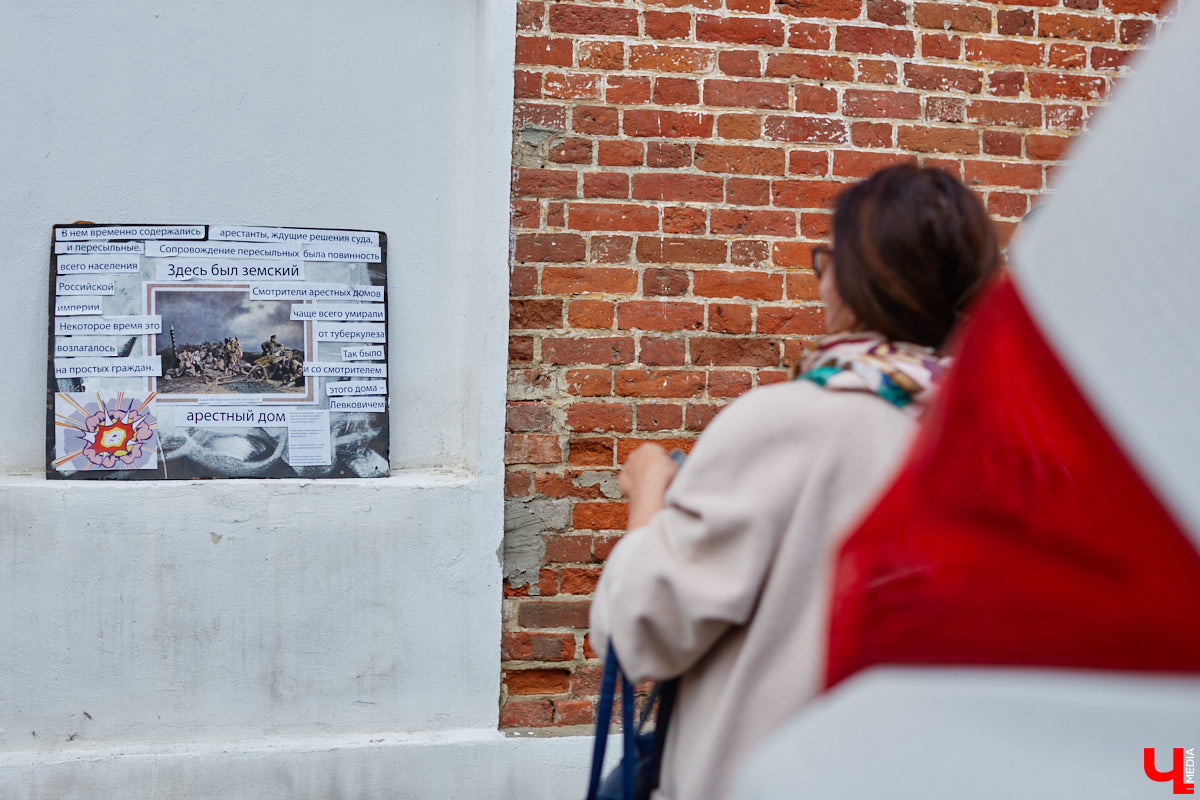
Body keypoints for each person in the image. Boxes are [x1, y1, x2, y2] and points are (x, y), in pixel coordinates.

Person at [588, 164, 1001, 800]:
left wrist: (649, 491)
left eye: (825, 259)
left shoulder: (790, 423)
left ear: (855, 279)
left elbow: (641, 632)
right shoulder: (992, 445)